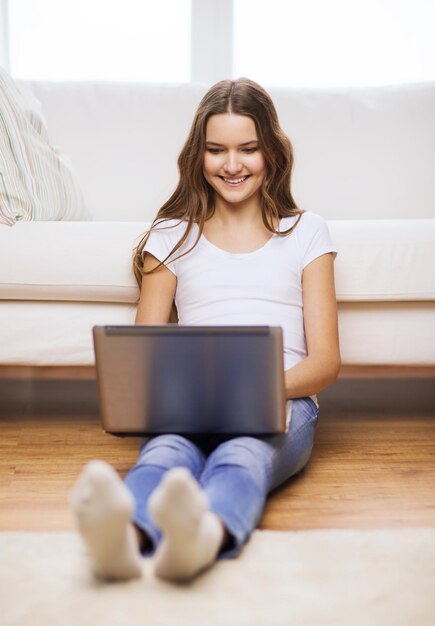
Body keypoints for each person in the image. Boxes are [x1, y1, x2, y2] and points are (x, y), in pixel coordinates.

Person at [70, 78, 340, 583]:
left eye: (248, 149)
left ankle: (204, 536)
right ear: (198, 154)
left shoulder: (307, 231)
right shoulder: (172, 234)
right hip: (192, 400)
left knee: (242, 455)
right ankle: (124, 540)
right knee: (165, 452)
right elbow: (141, 352)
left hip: (283, 398)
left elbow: (325, 361)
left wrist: (257, 391)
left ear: (272, 153)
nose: (231, 164)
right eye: (216, 150)